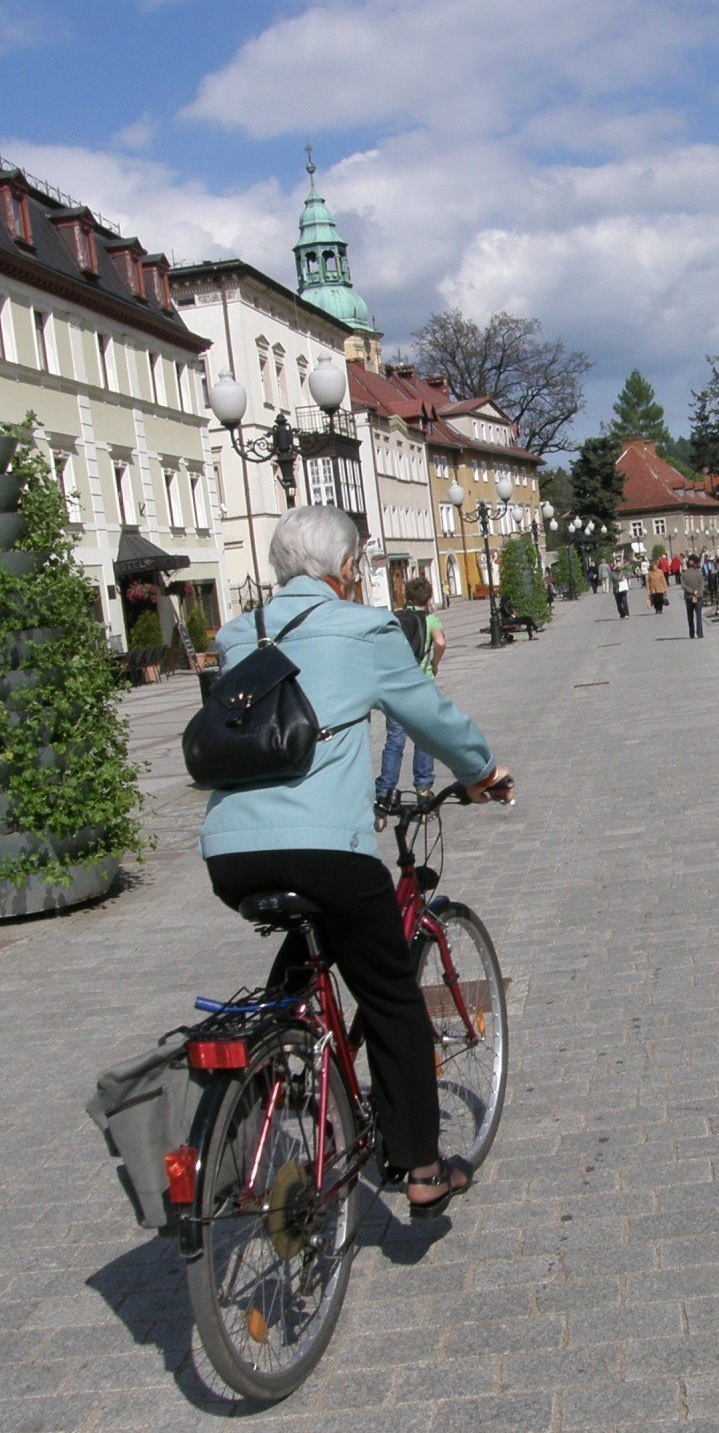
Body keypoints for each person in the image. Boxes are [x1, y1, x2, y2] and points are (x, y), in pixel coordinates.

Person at [199, 506, 514, 1218]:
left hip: (231, 856)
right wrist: (483, 772)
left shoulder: (235, 635)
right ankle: (424, 1168)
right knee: (391, 991)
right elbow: (428, 715)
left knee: (306, 955)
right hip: (323, 852)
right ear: (345, 570)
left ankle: (276, 1061)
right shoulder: (363, 629)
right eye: (360, 565)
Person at [373, 576, 446, 807]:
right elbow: (441, 642)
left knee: (394, 740)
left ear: (407, 597)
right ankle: (423, 789)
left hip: (395, 686)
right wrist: (435, 663)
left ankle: (385, 793)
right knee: (423, 738)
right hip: (419, 685)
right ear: (429, 598)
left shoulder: (395, 618)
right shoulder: (431, 619)